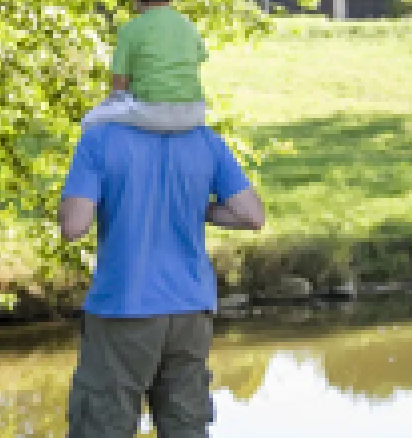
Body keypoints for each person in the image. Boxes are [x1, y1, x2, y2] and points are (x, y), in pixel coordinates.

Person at [57, 117, 266, 438]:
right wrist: (201, 208)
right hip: (191, 311)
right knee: (186, 426)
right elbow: (251, 216)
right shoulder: (204, 140)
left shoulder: (100, 139)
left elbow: (74, 227)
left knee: (102, 425)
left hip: (123, 310)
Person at [80, 0, 210, 133]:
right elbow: (194, 63)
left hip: (151, 112)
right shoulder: (188, 26)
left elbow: (119, 86)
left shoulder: (130, 30)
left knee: (89, 121)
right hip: (194, 112)